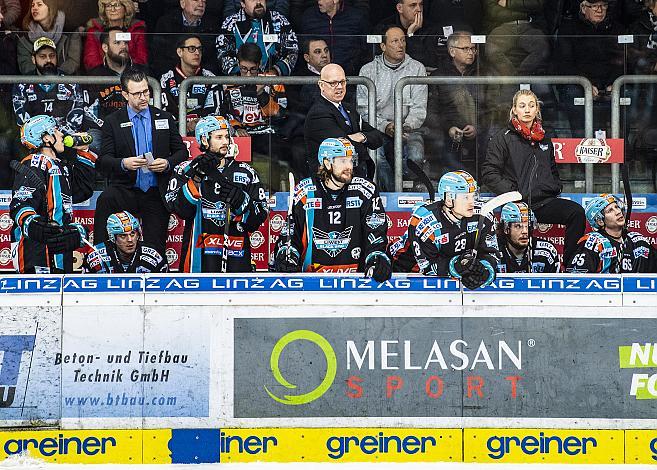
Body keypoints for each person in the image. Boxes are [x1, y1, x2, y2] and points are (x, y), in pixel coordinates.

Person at [481, 89, 586, 266]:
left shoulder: (544, 138)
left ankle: (571, 266)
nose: (527, 110)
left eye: (531, 105)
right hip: (517, 205)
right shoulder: (502, 138)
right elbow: (489, 173)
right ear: (514, 110)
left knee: (576, 213)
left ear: (537, 109)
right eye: (522, 106)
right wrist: (514, 194)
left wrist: (555, 185)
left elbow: (552, 168)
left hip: (544, 202)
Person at [94, 67, 187, 255]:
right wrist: (123, 163)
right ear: (125, 94)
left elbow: (182, 152)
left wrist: (167, 163)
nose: (143, 97)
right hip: (125, 188)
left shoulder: (164, 117)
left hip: (155, 190)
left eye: (146, 91)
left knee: (155, 249)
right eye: (137, 94)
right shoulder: (112, 121)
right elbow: (103, 161)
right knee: (106, 199)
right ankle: (100, 260)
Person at [274, 137, 392, 281]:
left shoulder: (365, 190)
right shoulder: (305, 191)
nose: (349, 166)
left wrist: (376, 256)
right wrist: (288, 255)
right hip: (312, 282)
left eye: (351, 160)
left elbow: (375, 229)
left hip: (356, 281)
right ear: (327, 163)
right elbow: (291, 232)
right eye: (343, 161)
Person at [165, 115, 269, 272]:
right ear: (205, 140)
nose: (226, 141)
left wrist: (243, 202)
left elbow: (259, 216)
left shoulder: (246, 172)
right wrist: (196, 179)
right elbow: (180, 209)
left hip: (236, 254)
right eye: (219, 137)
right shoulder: (186, 169)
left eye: (227, 136)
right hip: (199, 257)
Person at [10, 115, 97, 273]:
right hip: (36, 251)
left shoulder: (60, 166)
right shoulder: (34, 162)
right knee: (38, 295)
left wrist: (84, 151)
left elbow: (83, 190)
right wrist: (36, 225)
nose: (62, 135)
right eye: (56, 130)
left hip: (60, 251)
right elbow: (22, 202)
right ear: (46, 138)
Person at [392, 170, 498, 289]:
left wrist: (485, 271)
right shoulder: (425, 221)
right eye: (465, 197)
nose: (472, 202)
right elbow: (427, 266)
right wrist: (456, 266)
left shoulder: (483, 215)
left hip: (444, 273)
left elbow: (491, 253)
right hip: (402, 269)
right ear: (448, 200)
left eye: (473, 196)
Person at [357, 26, 427, 192]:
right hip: (378, 128)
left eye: (403, 40)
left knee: (415, 155)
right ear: (383, 46)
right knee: (377, 159)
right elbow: (364, 110)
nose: (401, 45)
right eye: (395, 41)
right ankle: (393, 197)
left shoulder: (417, 68)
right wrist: (385, 126)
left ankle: (411, 193)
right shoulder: (368, 70)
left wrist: (407, 125)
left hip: (408, 128)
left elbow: (419, 107)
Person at [304, 63, 384, 178]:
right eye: (333, 83)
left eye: (342, 82)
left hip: (355, 178)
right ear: (321, 85)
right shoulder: (318, 113)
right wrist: (357, 141)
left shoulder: (348, 108)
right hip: (331, 182)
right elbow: (346, 148)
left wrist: (362, 136)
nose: (340, 87)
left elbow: (377, 137)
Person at [426, 31, 479, 176]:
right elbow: (431, 112)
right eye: (466, 48)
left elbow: (490, 109)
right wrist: (448, 128)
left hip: (478, 135)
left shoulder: (481, 73)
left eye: (473, 48)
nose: (471, 53)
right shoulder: (439, 76)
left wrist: (477, 127)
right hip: (446, 134)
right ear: (452, 51)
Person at [567, 194, 657, 273]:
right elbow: (578, 281)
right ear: (600, 221)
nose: (618, 212)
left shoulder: (638, 241)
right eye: (610, 211)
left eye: (617, 207)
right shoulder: (593, 243)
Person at [12, 37, 85, 134]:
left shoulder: (70, 83)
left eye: (52, 55)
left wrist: (57, 137)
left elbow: (75, 119)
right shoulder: (22, 84)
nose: (48, 60)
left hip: (64, 139)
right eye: (42, 56)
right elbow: (22, 121)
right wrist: (43, 137)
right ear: (33, 59)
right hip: (33, 139)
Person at [160, 34, 223, 136]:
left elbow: (215, 112)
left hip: (205, 133)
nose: (197, 53)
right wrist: (182, 125)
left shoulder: (210, 78)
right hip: (175, 134)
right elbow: (165, 113)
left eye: (199, 49)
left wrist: (199, 123)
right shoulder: (166, 79)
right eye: (192, 49)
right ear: (180, 52)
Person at [216, 0, 298, 76]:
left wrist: (275, 71)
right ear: (242, 3)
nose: (258, 2)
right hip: (240, 81)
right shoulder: (230, 23)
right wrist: (242, 73)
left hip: (272, 81)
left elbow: (292, 51)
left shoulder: (279, 20)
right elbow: (222, 54)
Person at [85, 28, 134, 153]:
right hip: (104, 131)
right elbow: (89, 114)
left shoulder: (141, 72)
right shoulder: (93, 77)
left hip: (136, 129)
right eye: (117, 43)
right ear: (105, 48)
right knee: (92, 139)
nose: (123, 46)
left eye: (125, 42)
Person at [83, 211, 169, 273]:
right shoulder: (96, 257)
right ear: (113, 238)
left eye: (132, 234)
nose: (130, 240)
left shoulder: (154, 256)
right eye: (123, 236)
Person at [151, 0, 220, 76]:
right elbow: (159, 57)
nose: (201, 4)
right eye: (196, 0)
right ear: (183, 3)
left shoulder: (213, 25)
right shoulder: (166, 23)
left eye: (204, 1)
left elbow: (212, 59)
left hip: (203, 79)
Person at [482, 0, 549, 77]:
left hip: (529, 25)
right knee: (491, 49)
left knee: (543, 48)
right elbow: (492, 10)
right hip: (502, 26)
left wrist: (508, 3)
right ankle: (513, 78)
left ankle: (520, 77)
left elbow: (538, 4)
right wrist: (524, 10)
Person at [299, 0, 367, 75]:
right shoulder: (308, 17)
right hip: (314, 77)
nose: (319, 2)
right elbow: (303, 47)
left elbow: (366, 49)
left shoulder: (356, 17)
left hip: (348, 77)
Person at [17, 0, 82, 75]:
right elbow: (25, 65)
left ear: (51, 7)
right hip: (36, 83)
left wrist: (57, 76)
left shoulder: (69, 30)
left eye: (39, 4)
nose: (34, 8)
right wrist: (43, 77)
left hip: (65, 80)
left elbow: (73, 61)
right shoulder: (25, 35)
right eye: (33, 5)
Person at [84, 0, 148, 71]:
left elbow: (142, 60)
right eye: (108, 6)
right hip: (103, 76)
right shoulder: (95, 31)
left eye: (117, 5)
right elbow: (91, 61)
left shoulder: (136, 30)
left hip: (132, 74)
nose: (112, 9)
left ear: (126, 8)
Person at [496, 201, 560, 273]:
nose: (525, 231)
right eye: (518, 226)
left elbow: (557, 282)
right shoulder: (493, 251)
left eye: (528, 226)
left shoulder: (546, 251)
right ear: (506, 229)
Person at [373, 0, 439, 68]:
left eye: (421, 4)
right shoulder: (384, 27)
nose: (419, 9)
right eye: (413, 5)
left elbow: (429, 61)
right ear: (399, 8)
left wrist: (411, 35)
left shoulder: (430, 28)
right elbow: (378, 59)